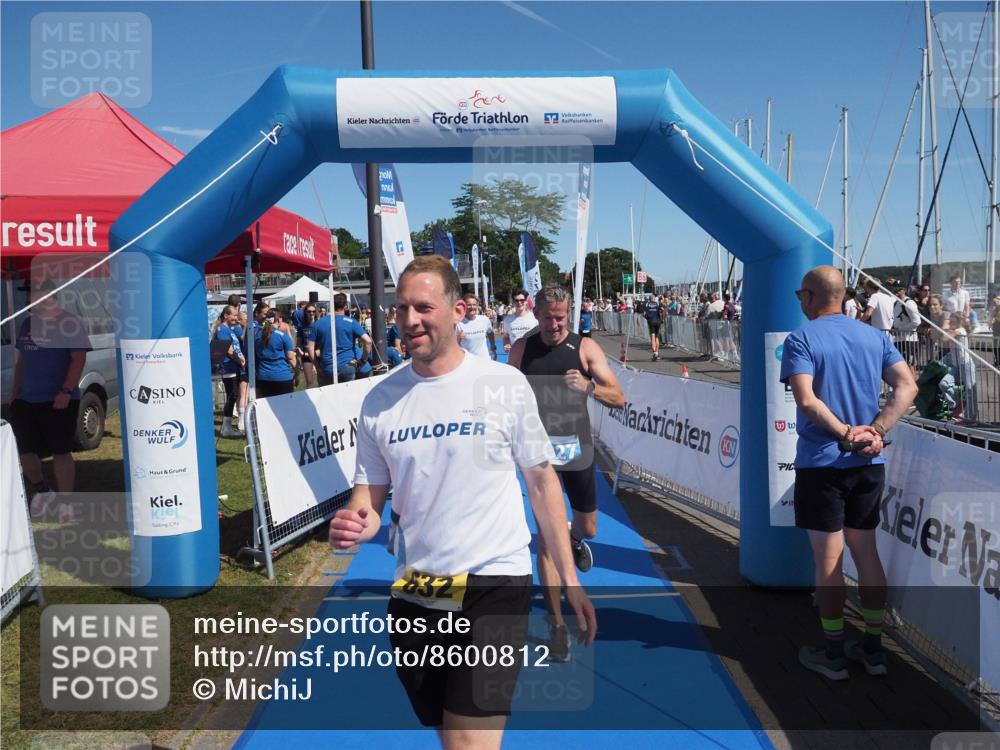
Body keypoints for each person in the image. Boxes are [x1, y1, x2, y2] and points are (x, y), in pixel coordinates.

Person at [328, 256, 596, 748]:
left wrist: (569, 576)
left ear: (458, 310)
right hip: (418, 588)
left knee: (470, 742)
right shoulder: (380, 400)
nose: (409, 320)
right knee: (445, 731)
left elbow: (540, 482)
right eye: (401, 308)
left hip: (495, 582)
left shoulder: (502, 384)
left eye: (423, 307)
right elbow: (369, 495)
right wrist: (355, 522)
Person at [781, 266, 917, 681]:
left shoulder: (801, 338)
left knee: (828, 562)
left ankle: (833, 651)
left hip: (825, 463)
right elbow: (907, 387)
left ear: (808, 296)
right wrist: (874, 431)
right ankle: (874, 649)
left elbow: (806, 401)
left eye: (799, 295)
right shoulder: (874, 336)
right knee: (866, 553)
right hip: (868, 463)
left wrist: (847, 434)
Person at [509, 284, 624, 662]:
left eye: (560, 317)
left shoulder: (585, 348)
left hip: (576, 450)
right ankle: (557, 626)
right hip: (538, 455)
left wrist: (589, 386)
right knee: (545, 537)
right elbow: (505, 399)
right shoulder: (522, 349)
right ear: (536, 313)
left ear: (568, 313)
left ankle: (574, 542)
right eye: (547, 317)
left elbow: (619, 396)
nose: (554, 324)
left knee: (587, 527)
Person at [9, 279, 91, 522]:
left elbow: (78, 359)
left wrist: (65, 391)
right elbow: (21, 362)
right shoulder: (26, 325)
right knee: (25, 451)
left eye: (30, 294)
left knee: (60, 451)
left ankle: (66, 504)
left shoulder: (69, 323)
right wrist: (14, 394)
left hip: (59, 400)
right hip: (26, 400)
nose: (27, 300)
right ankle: (43, 490)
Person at [308, 293, 372, 384]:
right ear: (345, 306)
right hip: (347, 367)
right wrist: (363, 361)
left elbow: (310, 347)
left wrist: (317, 367)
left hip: (327, 368)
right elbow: (368, 341)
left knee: (327, 397)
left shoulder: (319, 323)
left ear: (331, 305)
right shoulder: (351, 322)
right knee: (348, 397)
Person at [211, 305, 246, 438]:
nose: (236, 318)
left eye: (237, 315)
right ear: (226, 315)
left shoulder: (230, 329)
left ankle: (228, 425)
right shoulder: (222, 330)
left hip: (233, 366)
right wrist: (240, 361)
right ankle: (226, 427)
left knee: (234, 395)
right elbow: (229, 350)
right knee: (232, 394)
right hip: (227, 367)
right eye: (234, 315)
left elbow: (237, 345)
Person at [254, 310, 297, 397]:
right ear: (279, 320)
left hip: (263, 377)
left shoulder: (257, 335)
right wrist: (297, 372)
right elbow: (291, 358)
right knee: (285, 408)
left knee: (266, 408)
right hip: (282, 377)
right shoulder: (283, 336)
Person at [456, 293, 497, 360]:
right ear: (464, 306)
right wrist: (458, 338)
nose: (472, 307)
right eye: (469, 305)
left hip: (484, 361)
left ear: (477, 306)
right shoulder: (458, 323)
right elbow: (451, 346)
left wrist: (493, 347)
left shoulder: (484, 320)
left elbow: (490, 332)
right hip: (468, 362)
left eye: (474, 305)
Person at [295, 304, 319, 388]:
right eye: (309, 311)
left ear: (316, 312)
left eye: (313, 311)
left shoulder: (319, 324)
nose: (311, 313)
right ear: (305, 312)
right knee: (310, 382)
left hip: (318, 354)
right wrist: (298, 353)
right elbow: (299, 342)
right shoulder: (301, 326)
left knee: (322, 380)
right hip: (305, 355)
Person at [643, 293, 662, 361]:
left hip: (651, 322)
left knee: (652, 337)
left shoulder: (647, 304)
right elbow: (660, 311)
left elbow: (644, 314)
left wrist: (647, 318)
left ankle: (654, 352)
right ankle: (657, 352)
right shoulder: (657, 304)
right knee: (657, 337)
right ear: (654, 299)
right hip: (657, 321)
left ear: (649, 299)